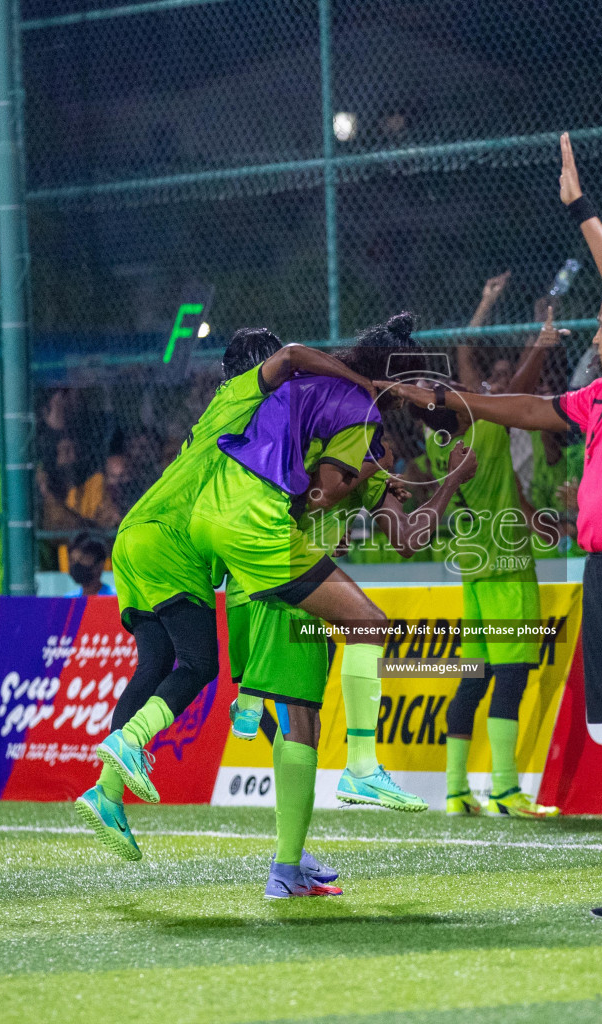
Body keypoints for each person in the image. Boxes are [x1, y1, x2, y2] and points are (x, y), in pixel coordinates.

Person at [393, 133, 602, 925]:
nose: (597, 331)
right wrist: (460, 403)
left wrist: (582, 210)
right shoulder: (600, 397)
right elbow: (529, 409)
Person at [72, 330, 381, 864]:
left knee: (159, 661)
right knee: (201, 664)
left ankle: (106, 791)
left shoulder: (241, 418)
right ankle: (131, 748)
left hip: (136, 535)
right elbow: (289, 368)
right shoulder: (246, 395)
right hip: (173, 545)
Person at [228, 431, 478, 896]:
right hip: (272, 590)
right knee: (301, 720)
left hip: (281, 592)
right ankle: (290, 861)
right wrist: (374, 470)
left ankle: (291, 861)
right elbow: (310, 498)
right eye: (382, 442)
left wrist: (450, 482)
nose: (387, 451)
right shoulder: (330, 454)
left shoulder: (351, 463)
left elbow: (407, 539)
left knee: (301, 727)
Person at [427, 311, 566, 819]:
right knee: (511, 675)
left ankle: (456, 789)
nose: (470, 392)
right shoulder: (483, 428)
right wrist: (543, 343)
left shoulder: (439, 441)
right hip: (506, 568)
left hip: (472, 569)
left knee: (474, 675)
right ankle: (506, 789)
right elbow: (520, 396)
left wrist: (533, 517)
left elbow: (501, 492)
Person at [63, 531, 114, 597]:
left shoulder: (114, 598)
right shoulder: (70, 600)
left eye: (82, 559)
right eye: (72, 560)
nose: (76, 565)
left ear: (100, 564)